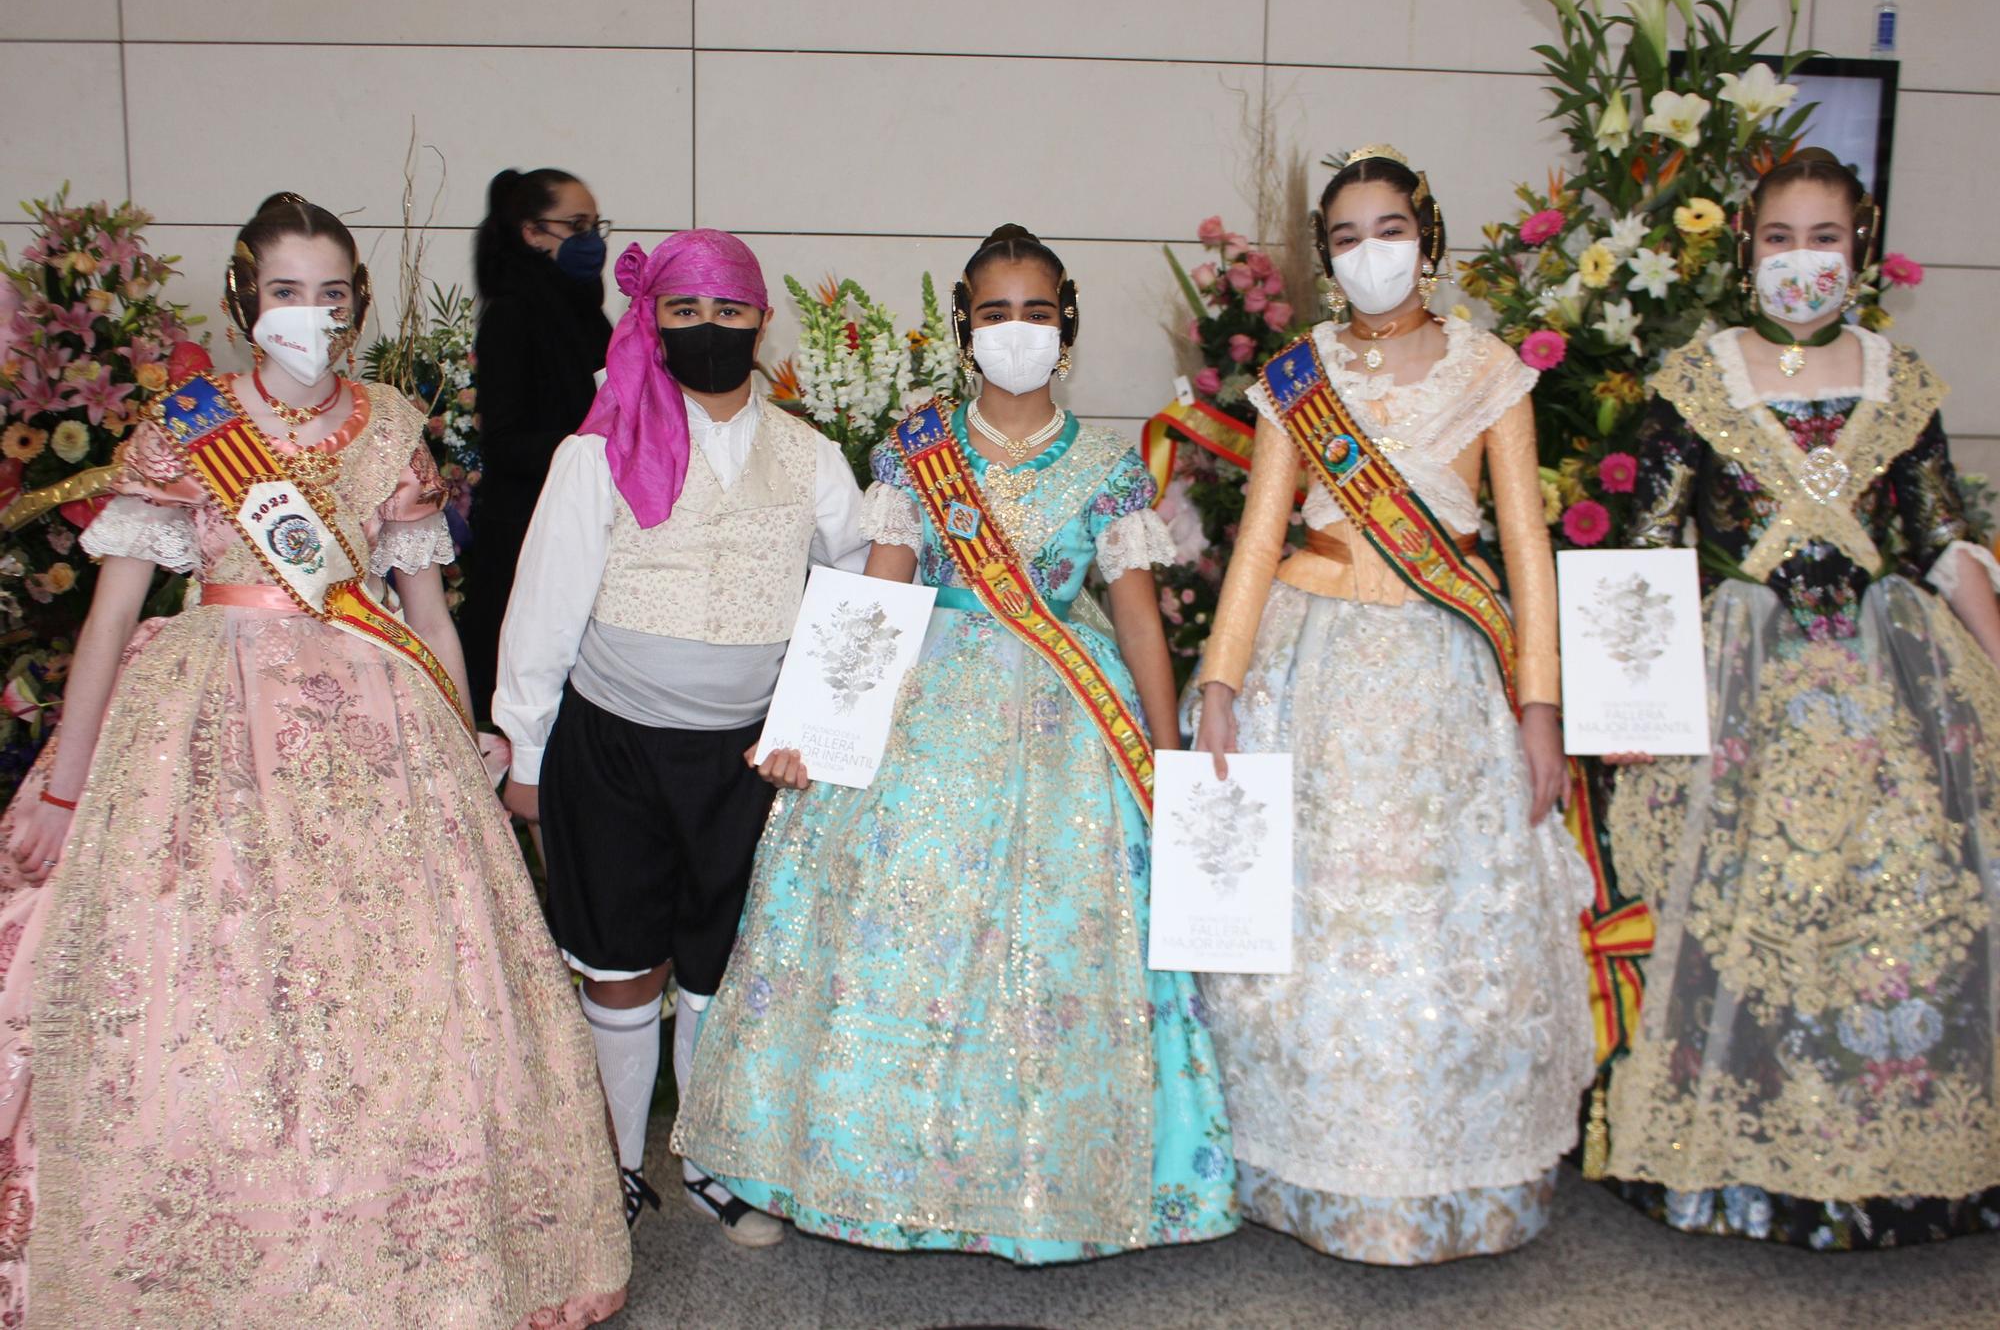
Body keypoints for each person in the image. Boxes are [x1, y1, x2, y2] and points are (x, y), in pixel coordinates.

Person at [0, 193, 629, 1324]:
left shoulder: (389, 423)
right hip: (202, 720)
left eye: (329, 293)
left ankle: (409, 1249)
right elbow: (110, 615)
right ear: (249, 299)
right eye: (287, 291)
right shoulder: (186, 424)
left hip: (374, 718)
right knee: (210, 977)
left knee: (405, 992)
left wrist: (460, 734)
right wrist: (62, 783)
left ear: (357, 304)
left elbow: (428, 610)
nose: (309, 313)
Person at [671, 224, 1239, 1263]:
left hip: (1073, 723)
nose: (1012, 331)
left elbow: (1142, 621)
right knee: (891, 935)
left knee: (1057, 952)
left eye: (1033, 312)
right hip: (921, 706)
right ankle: (858, 1177)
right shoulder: (916, 450)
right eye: (991, 312)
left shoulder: (1109, 470)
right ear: (962, 327)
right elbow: (878, 592)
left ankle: (1051, 1183)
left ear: (1063, 326)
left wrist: (1168, 760)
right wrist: (809, 724)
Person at [1189, 146, 1596, 1264]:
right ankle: (1303, 1168)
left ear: (1428, 235)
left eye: (1388, 229)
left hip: (1443, 664)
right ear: (1326, 260)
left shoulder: (1491, 372)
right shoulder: (1296, 375)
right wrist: (1219, 681)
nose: (1372, 253)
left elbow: (1523, 548)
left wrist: (1539, 706)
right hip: (1307, 656)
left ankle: (1454, 1173)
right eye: (1346, 237)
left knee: (1441, 914)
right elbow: (1259, 537)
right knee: (1309, 913)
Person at [1601, 148, 2000, 1248]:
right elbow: (1645, 551)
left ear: (1858, 249)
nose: (1800, 262)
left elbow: (1942, 540)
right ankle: (1745, 1159)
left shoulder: (1897, 379)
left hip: (1887, 674)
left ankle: (1897, 1160)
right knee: (1744, 910)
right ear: (1744, 248)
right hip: (1740, 670)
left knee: (1903, 902)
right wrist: (1625, 709)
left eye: (1822, 239)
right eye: (1779, 239)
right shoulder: (1695, 378)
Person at [493, 229, 868, 1245]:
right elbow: (542, 609)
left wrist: (828, 717)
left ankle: (706, 1158)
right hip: (611, 752)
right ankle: (612, 1166)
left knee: (720, 960)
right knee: (620, 965)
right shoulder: (595, 452)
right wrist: (523, 751)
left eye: (729, 312)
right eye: (685, 312)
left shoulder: (811, 455)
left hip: (743, 760)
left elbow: (869, 569)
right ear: (650, 323)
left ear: (760, 322)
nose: (709, 330)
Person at [460, 168, 614, 723]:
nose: (590, 239)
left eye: (596, 226)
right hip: (524, 530)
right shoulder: (513, 313)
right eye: (575, 225)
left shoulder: (584, 310)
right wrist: (592, 447)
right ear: (531, 232)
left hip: (579, 520)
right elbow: (502, 442)